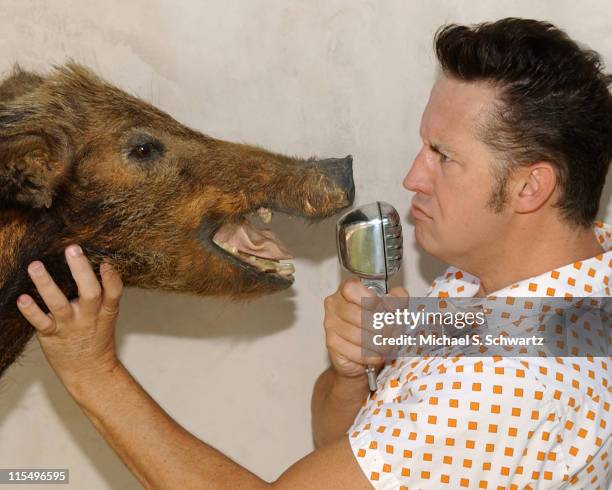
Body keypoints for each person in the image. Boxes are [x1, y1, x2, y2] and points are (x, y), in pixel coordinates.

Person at [17, 18, 612, 489]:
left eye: (443, 156)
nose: (412, 177)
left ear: (530, 188)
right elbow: (341, 444)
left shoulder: (504, 385)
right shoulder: (546, 281)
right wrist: (352, 371)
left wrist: (91, 370)